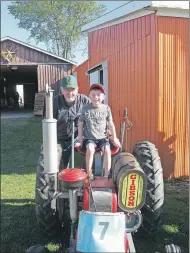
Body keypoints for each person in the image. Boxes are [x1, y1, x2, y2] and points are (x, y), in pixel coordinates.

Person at [77, 83, 121, 179]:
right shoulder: (85, 109)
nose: (96, 97)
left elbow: (111, 124)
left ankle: (106, 175)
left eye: (98, 95)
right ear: (89, 96)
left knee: (107, 150)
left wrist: (115, 138)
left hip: (103, 138)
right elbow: (80, 124)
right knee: (90, 149)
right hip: (90, 138)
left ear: (103, 96)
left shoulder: (106, 108)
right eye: (93, 95)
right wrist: (80, 139)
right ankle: (89, 174)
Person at [53, 75, 91, 168]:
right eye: (67, 90)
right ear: (62, 90)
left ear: (77, 89)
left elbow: (96, 117)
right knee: (59, 165)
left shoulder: (85, 101)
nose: (70, 93)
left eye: (72, 89)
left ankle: (88, 174)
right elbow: (48, 126)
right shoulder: (54, 102)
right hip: (60, 139)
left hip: (79, 138)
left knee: (93, 152)